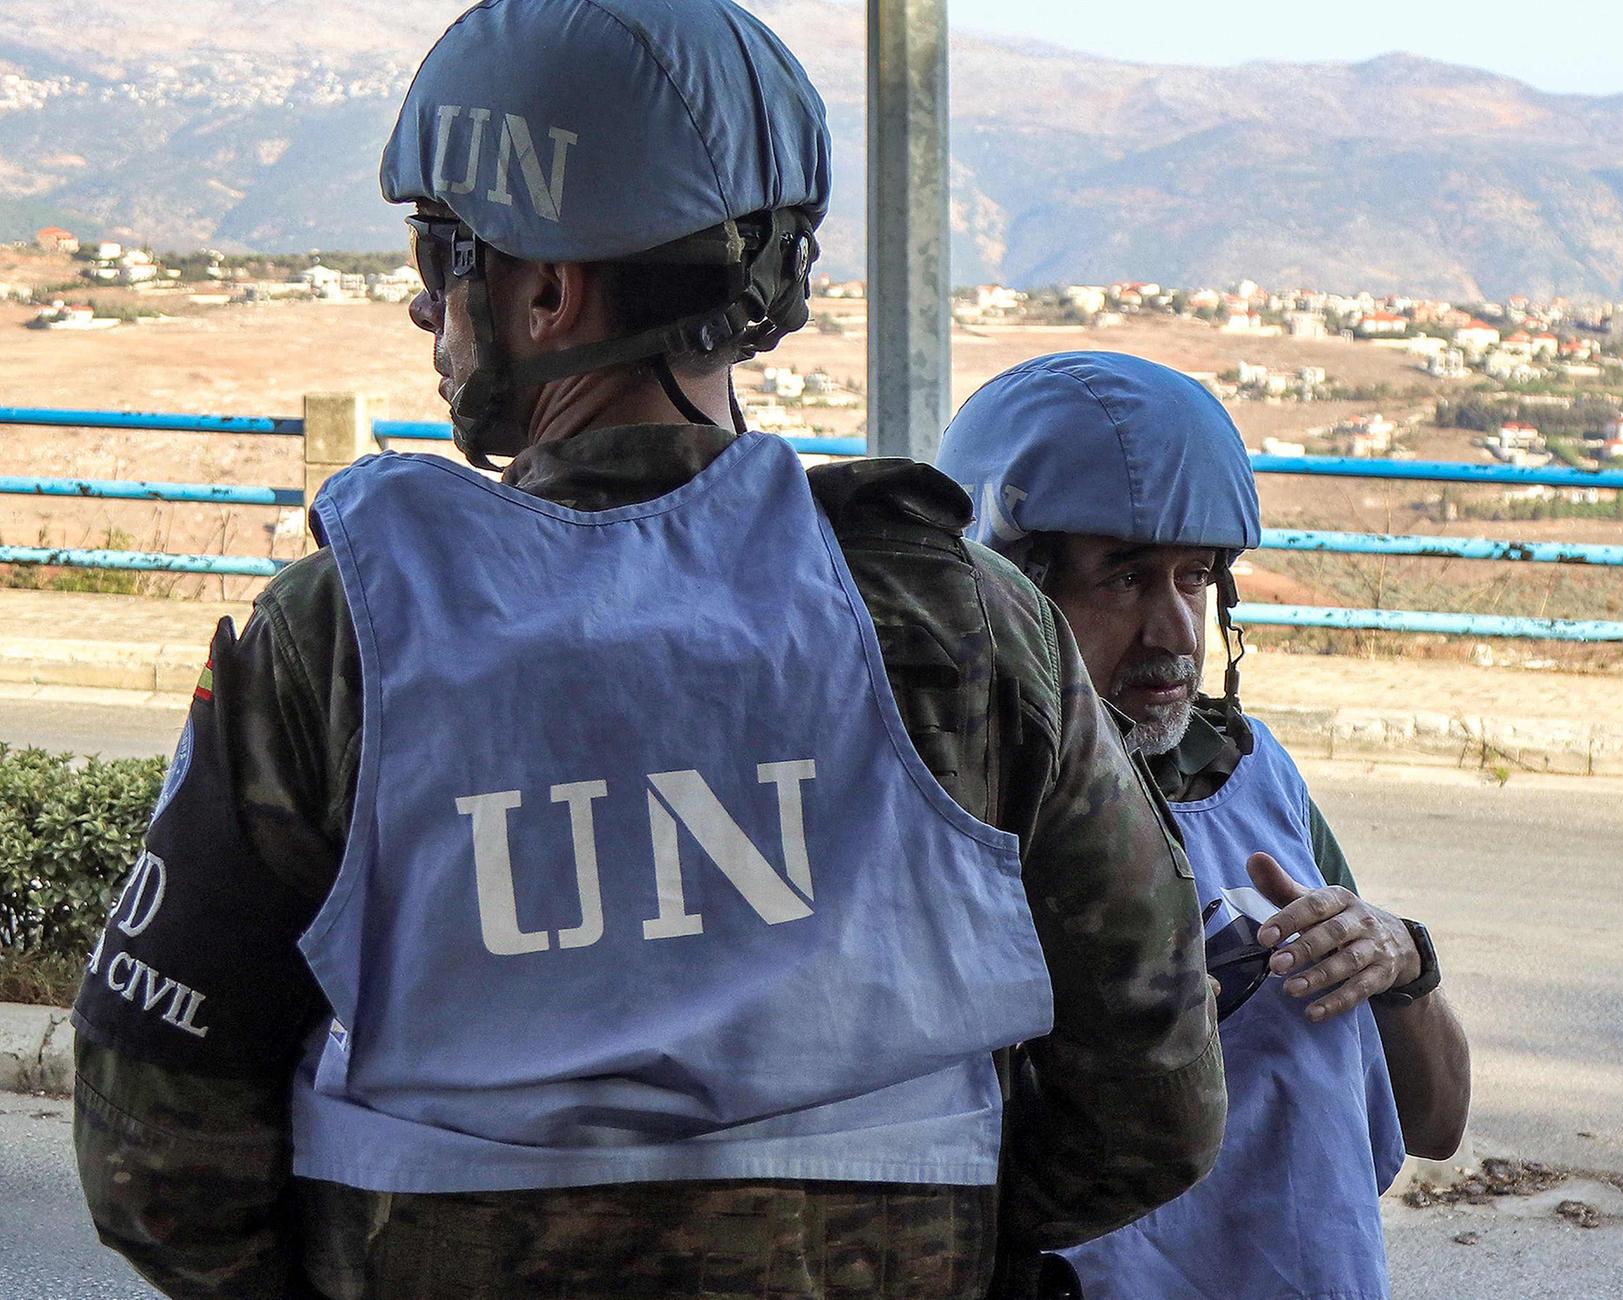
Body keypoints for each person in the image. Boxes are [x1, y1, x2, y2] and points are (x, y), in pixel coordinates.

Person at [70, 4, 1223, 1297]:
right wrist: (916, 1244)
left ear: (550, 292)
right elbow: (1155, 1097)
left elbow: (153, 1158)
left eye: (444, 253)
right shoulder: (970, 624)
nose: (420, 303)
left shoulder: (340, 642)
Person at [937, 351, 1473, 1300]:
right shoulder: (946, 804)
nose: (1175, 633)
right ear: (1010, 590)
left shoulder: (1251, 778)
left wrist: (1402, 963)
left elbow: (1436, 1125)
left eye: (1196, 578)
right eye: (1125, 580)